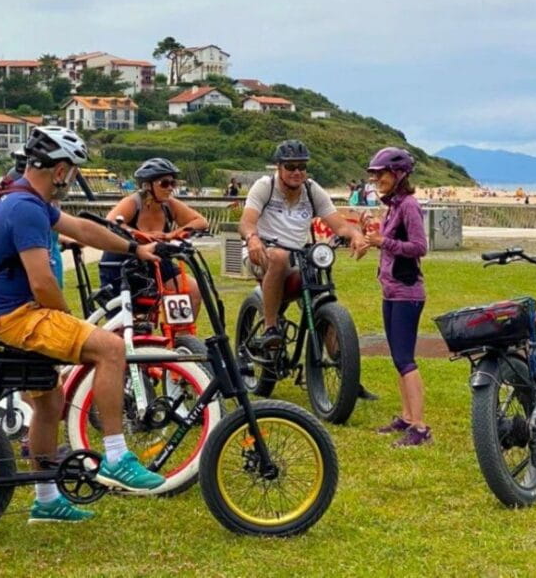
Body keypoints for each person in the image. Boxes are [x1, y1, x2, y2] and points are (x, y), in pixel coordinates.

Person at [0, 126, 166, 523]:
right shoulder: (25, 208)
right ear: (60, 169)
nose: (73, 179)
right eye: (74, 171)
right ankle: (116, 455)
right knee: (111, 347)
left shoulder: (29, 201)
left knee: (50, 400)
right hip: (18, 317)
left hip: (8, 314)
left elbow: (83, 229)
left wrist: (135, 247)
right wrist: (67, 322)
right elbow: (42, 280)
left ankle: (45, 500)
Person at [239, 139, 378, 400]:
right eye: (290, 166)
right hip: (262, 253)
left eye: (302, 167)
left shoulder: (312, 190)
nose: (297, 172)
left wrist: (356, 236)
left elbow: (339, 225)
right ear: (279, 167)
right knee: (279, 257)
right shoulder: (264, 187)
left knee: (319, 294)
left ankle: (345, 371)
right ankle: (270, 329)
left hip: (300, 258)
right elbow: (246, 223)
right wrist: (253, 239)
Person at [364, 147, 431, 447]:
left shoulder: (409, 206)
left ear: (399, 174)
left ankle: (420, 427)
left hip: (407, 292)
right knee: (397, 358)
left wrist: (384, 241)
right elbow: (389, 243)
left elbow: (419, 246)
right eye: (375, 174)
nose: (377, 179)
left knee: (406, 359)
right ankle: (406, 417)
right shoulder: (393, 206)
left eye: (382, 174)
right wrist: (372, 242)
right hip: (390, 291)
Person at [100, 158, 209, 317]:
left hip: (156, 262)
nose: (170, 188)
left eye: (173, 183)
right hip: (122, 264)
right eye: (165, 183)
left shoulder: (169, 205)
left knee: (191, 291)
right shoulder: (132, 203)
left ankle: (182, 339)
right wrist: (140, 235)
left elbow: (201, 221)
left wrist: (172, 234)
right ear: (147, 185)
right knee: (127, 327)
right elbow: (110, 222)